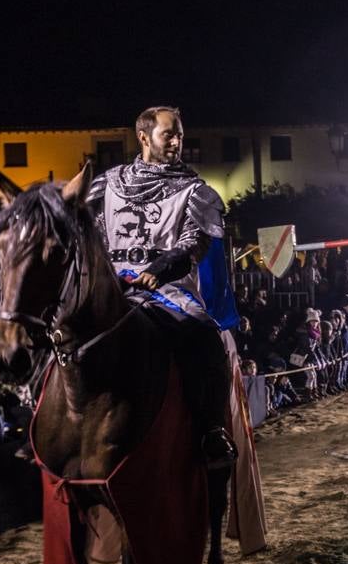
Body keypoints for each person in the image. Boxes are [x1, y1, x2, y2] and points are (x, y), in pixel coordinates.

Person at [87, 106, 236, 469]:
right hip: (111, 286)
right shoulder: (107, 184)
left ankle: (211, 430)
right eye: (169, 134)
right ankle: (44, 424)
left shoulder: (195, 191)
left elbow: (194, 241)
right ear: (143, 136)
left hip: (167, 291)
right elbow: (88, 234)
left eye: (179, 134)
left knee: (204, 334)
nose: (177, 141)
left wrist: (161, 267)